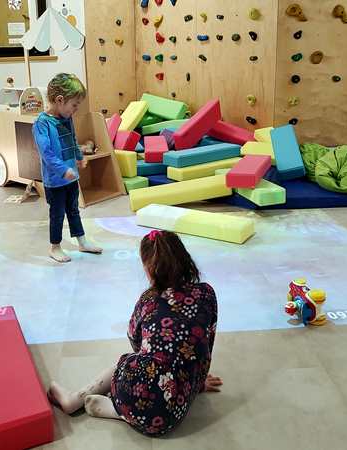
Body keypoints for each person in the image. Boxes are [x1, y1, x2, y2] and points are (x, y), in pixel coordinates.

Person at [48, 230, 222, 436]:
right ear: (185, 259)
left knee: (129, 361)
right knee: (173, 364)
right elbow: (206, 343)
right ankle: (118, 411)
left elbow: (134, 338)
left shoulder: (148, 300)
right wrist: (198, 383)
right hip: (173, 416)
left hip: (135, 397)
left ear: (149, 269)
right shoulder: (206, 292)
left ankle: (82, 401)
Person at [32, 73, 102, 263]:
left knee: (73, 210)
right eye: (74, 105)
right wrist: (63, 170)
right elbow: (46, 153)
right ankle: (55, 247)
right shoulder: (41, 123)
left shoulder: (67, 118)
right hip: (55, 181)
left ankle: (82, 241)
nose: (76, 110)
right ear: (59, 100)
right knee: (57, 214)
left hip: (71, 177)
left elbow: (72, 139)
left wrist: (79, 157)